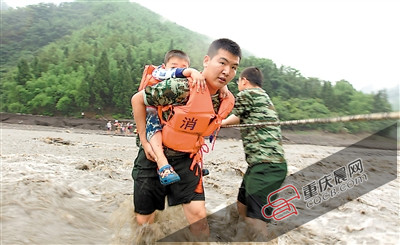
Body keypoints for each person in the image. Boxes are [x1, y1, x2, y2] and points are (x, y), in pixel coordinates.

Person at [131, 38, 241, 237]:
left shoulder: (225, 99)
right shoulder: (180, 87)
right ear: (207, 60)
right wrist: (144, 141)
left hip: (188, 160)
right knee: (145, 223)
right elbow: (137, 100)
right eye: (222, 63)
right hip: (153, 158)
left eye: (233, 67)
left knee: (199, 219)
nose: (227, 71)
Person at [141, 49, 229, 186]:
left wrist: (223, 86)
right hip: (153, 109)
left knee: (194, 129)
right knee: (154, 127)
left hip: (174, 118)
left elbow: (205, 78)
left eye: (184, 67)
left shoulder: (186, 85)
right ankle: (162, 163)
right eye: (174, 66)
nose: (179, 70)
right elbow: (169, 74)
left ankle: (196, 165)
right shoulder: (160, 72)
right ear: (165, 66)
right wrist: (188, 71)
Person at [221, 67, 287, 237]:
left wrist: (216, 124)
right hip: (260, 165)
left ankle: (259, 237)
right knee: (242, 205)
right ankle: (243, 238)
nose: (238, 86)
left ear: (244, 80)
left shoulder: (247, 94)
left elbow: (234, 118)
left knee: (254, 219)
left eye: (238, 82)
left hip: (266, 166)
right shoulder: (263, 96)